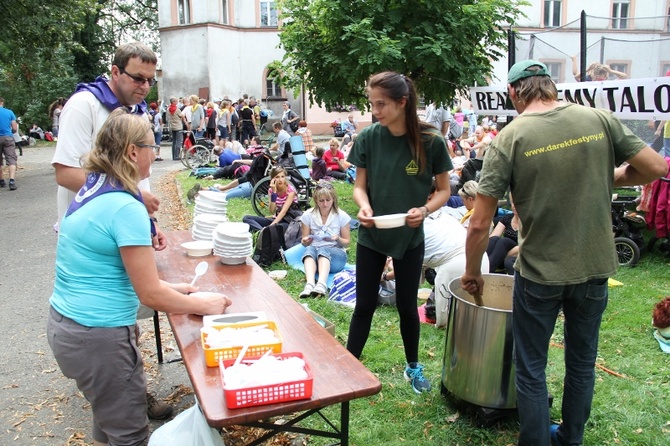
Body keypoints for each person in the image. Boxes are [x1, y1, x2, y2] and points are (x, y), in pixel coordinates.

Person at [460, 60, 668, 446]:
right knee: (582, 363)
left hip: (540, 273)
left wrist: (474, 271)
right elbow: (655, 166)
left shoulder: (511, 135)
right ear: (551, 88)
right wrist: (613, 176)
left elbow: (477, 222)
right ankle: (570, 438)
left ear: (513, 94)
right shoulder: (598, 119)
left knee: (532, 368)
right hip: (594, 269)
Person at [47, 109, 232, 446]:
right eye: (153, 144)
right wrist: (203, 303)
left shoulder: (94, 188)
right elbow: (149, 294)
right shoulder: (125, 207)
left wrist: (174, 288)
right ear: (133, 152)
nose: (156, 152)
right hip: (98, 337)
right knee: (130, 435)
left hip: (68, 327)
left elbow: (117, 271)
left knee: (108, 420)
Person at [50, 42, 172, 418]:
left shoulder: (135, 110)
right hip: (99, 230)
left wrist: (145, 222)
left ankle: (126, 387)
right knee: (106, 310)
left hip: (124, 223)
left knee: (124, 310)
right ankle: (118, 395)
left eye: (151, 81)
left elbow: (133, 175)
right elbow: (66, 171)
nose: (145, 87)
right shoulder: (84, 106)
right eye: (138, 77)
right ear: (115, 71)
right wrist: (130, 197)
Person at [345, 71, 452, 394]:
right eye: (372, 104)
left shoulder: (431, 141)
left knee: (407, 306)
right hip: (373, 233)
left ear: (402, 102)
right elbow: (359, 186)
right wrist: (363, 206)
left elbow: (444, 191)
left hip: (409, 234)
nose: (375, 111)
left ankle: (413, 367)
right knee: (364, 305)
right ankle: (351, 366)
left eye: (381, 104)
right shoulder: (369, 138)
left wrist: (425, 210)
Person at [298, 181, 351, 298]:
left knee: (324, 250)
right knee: (310, 250)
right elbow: (304, 242)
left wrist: (337, 239)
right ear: (316, 201)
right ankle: (310, 284)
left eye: (328, 200)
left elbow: (347, 243)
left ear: (333, 199)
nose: (325, 204)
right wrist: (306, 241)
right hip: (316, 254)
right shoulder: (308, 215)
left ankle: (321, 285)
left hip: (336, 255)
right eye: (321, 201)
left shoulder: (342, 216)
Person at [242, 165, 299, 232]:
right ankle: (262, 232)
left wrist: (271, 226)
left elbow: (283, 212)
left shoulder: (290, 191)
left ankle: (264, 231)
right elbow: (272, 210)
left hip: (289, 221)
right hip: (276, 219)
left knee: (277, 228)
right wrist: (274, 193)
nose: (280, 180)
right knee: (246, 218)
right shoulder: (271, 191)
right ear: (272, 179)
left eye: (282, 177)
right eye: (277, 177)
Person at [486, 195, 519, 274]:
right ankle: (483, 264)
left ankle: (487, 271)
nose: (514, 206)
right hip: (501, 253)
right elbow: (493, 237)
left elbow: (526, 246)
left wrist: (502, 254)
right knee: (494, 239)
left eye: (518, 203)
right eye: (513, 203)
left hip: (517, 252)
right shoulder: (507, 218)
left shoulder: (529, 221)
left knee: (504, 241)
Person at [0, 97, 19, 190]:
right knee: (11, 159)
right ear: (2, 102)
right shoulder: (9, 112)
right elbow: (15, 128)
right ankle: (11, 181)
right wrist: (10, 132)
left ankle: (2, 181)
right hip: (8, 137)